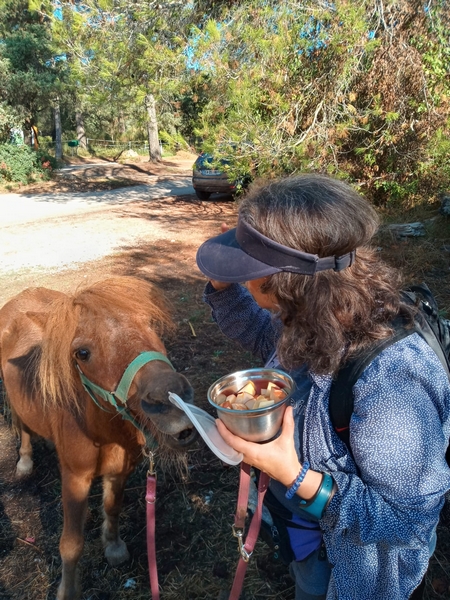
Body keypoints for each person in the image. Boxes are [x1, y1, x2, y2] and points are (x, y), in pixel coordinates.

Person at [195, 174, 450, 600]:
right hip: (310, 538)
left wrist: (292, 476)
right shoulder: (315, 316)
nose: (243, 280)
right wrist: (223, 287)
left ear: (288, 285)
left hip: (362, 572)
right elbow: (266, 340)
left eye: (249, 274)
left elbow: (407, 520)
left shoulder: (393, 380)